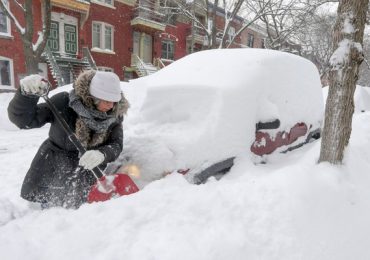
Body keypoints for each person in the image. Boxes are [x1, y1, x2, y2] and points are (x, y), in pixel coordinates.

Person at [7, 70, 129, 208]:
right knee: (48, 211)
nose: (111, 106)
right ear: (93, 97)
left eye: (114, 101)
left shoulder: (115, 115)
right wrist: (26, 95)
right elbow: (25, 120)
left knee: (80, 212)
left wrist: (102, 154)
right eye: (107, 101)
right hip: (53, 166)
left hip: (87, 171)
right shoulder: (64, 102)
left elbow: (116, 144)